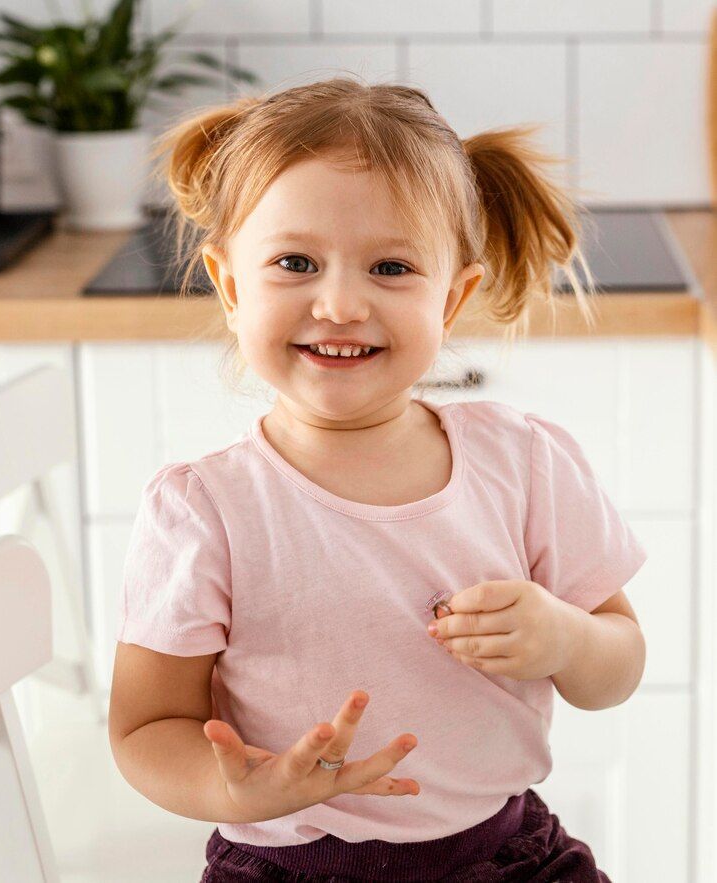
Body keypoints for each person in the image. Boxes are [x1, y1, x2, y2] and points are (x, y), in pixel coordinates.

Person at [108, 77, 648, 882]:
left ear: (453, 296)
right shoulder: (205, 510)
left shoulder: (525, 463)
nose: (338, 303)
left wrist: (565, 637)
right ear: (230, 285)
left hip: (506, 856)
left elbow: (619, 662)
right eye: (296, 262)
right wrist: (236, 783)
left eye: (391, 267)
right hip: (284, 866)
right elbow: (145, 726)